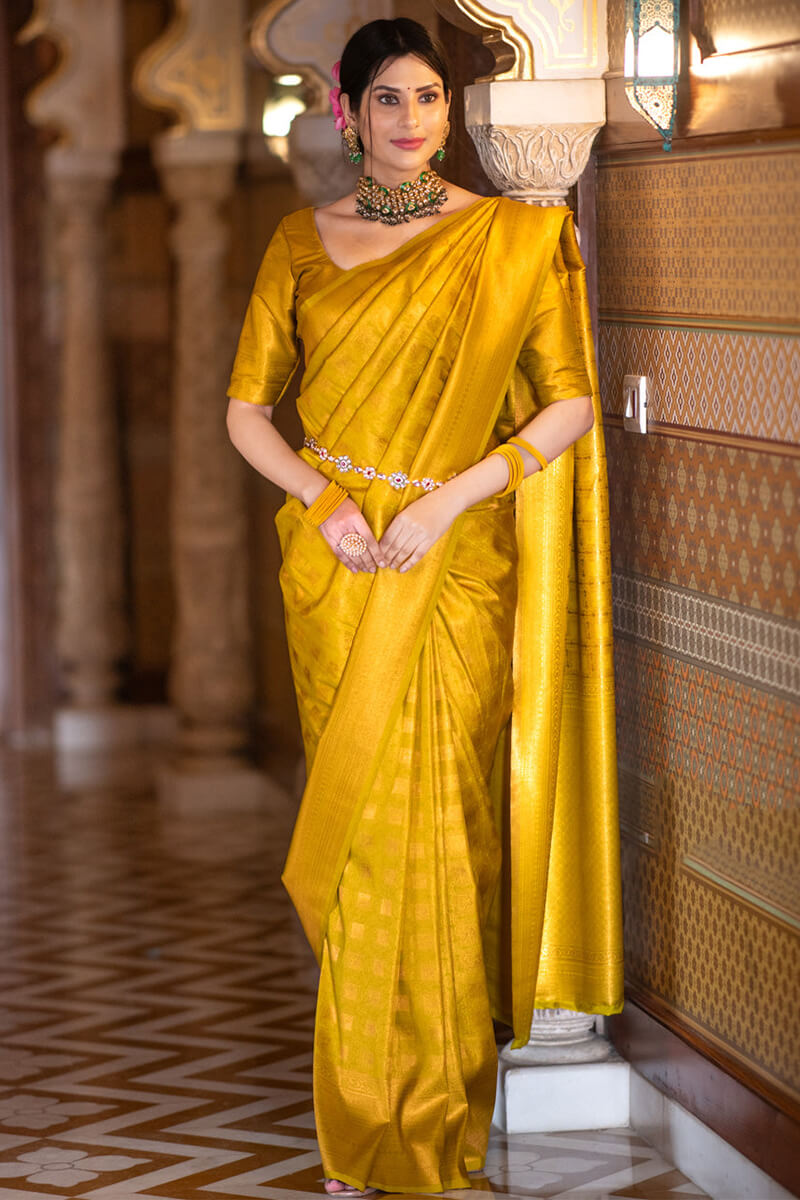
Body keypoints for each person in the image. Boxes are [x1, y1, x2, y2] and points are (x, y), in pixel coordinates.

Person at [226, 17, 623, 1197]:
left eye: (429, 97)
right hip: (341, 571)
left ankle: (442, 1115)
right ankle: (357, 1131)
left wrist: (449, 500)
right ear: (346, 112)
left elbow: (568, 403)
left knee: (446, 829)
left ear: (450, 111)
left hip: (454, 565)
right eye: (387, 99)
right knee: (361, 840)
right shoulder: (299, 242)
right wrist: (323, 502)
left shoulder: (512, 238)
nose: (409, 119)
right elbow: (246, 411)